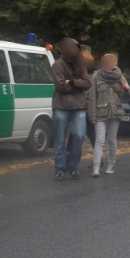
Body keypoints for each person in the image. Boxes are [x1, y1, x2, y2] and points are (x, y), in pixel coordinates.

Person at [51, 38, 91, 180]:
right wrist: (78, 86)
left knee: (79, 136)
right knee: (60, 139)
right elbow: (61, 86)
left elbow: (88, 83)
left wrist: (73, 82)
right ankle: (60, 169)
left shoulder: (80, 65)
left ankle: (72, 165)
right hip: (61, 106)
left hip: (79, 106)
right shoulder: (58, 65)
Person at [87, 53, 130, 177]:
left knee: (112, 139)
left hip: (115, 111)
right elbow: (92, 97)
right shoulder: (96, 76)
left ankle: (111, 165)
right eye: (111, 62)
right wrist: (92, 115)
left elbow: (128, 96)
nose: (114, 64)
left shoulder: (119, 76)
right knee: (100, 140)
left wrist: (127, 89)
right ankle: (96, 167)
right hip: (100, 112)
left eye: (115, 62)